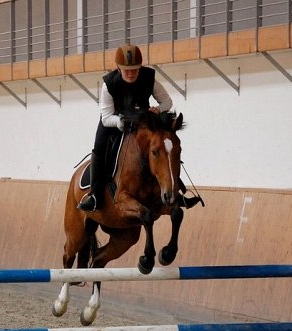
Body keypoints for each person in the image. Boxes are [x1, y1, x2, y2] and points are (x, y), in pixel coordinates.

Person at [77, 43, 202, 212]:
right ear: (118, 68)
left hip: (142, 122)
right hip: (114, 122)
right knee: (99, 148)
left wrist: (158, 109)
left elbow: (167, 102)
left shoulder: (149, 78)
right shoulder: (109, 84)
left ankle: (176, 190)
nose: (130, 73)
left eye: (135, 69)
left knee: (165, 146)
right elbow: (106, 117)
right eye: (126, 70)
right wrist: (120, 122)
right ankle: (94, 195)